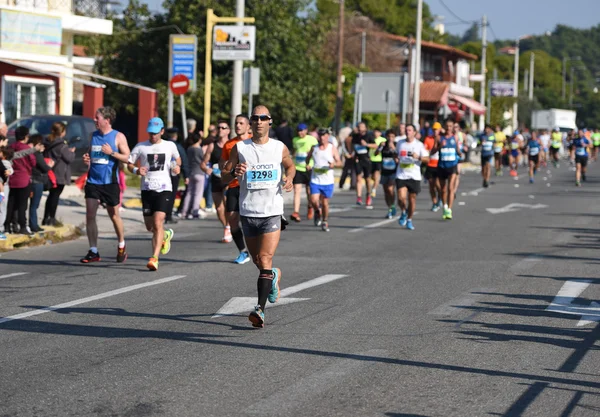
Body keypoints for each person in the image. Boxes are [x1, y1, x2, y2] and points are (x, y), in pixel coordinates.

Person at [221, 105, 295, 328]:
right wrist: (234, 173)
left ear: (269, 122)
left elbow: (291, 167)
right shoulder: (240, 147)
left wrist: (290, 178)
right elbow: (224, 176)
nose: (260, 121)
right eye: (256, 118)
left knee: (264, 258)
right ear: (251, 123)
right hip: (248, 211)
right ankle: (273, 275)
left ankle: (260, 310)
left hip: (272, 211)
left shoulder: (278, 147)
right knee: (258, 260)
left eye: (264, 118)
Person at [127, 117, 180, 271]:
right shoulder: (141, 147)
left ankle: (154, 258)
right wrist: (137, 170)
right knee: (150, 227)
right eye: (150, 133)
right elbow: (129, 164)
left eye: (156, 133)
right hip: (147, 189)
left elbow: (177, 160)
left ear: (162, 131)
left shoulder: (170, 145)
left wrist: (175, 167)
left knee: (158, 222)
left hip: (164, 188)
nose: (153, 136)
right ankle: (165, 235)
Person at [80, 106, 131, 263]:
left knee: (114, 215)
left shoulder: (118, 137)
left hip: (110, 182)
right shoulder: (92, 135)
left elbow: (127, 157)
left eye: (98, 118)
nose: (95, 120)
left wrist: (112, 153)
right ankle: (93, 251)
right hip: (93, 181)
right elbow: (91, 153)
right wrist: (87, 158)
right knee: (90, 215)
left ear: (107, 120)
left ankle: (121, 244)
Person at [220, 114, 252, 264]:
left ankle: (258, 248)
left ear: (248, 126)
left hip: (251, 186)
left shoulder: (255, 142)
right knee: (232, 219)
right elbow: (224, 164)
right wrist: (222, 169)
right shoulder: (229, 144)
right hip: (234, 185)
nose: (238, 126)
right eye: (236, 123)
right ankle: (243, 252)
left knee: (251, 220)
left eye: (241, 123)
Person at [306, 128, 341, 232]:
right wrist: (308, 164)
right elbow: (308, 158)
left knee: (325, 203)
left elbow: (339, 162)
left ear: (327, 137)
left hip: (328, 181)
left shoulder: (332, 148)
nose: (322, 138)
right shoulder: (314, 148)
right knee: (313, 200)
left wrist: (334, 164)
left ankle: (325, 221)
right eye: (320, 136)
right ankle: (317, 211)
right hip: (315, 179)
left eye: (324, 136)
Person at [202, 119, 231, 242]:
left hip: (229, 179)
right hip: (216, 178)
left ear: (228, 131)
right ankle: (227, 226)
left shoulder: (232, 145)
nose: (220, 130)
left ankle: (230, 227)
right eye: (219, 128)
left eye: (223, 128)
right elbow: (203, 163)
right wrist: (206, 169)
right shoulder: (212, 145)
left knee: (227, 202)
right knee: (219, 208)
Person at [396, 124, 429, 230]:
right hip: (401, 174)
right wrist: (396, 159)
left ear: (414, 132)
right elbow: (397, 155)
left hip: (414, 176)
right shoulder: (400, 143)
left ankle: (409, 219)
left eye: (410, 130)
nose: (407, 132)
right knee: (401, 198)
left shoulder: (419, 145)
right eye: (406, 130)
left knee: (412, 199)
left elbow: (427, 159)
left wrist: (418, 157)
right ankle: (404, 212)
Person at [4, 126, 36, 236]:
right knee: (22, 205)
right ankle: (22, 226)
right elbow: (33, 162)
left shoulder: (11, 147)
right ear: (26, 136)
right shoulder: (27, 148)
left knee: (11, 204)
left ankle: (8, 225)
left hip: (12, 178)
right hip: (23, 179)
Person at [43, 122, 75, 226]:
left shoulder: (48, 142)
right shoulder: (62, 145)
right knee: (55, 196)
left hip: (50, 171)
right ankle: (51, 218)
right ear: (62, 132)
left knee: (51, 195)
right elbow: (69, 158)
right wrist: (72, 152)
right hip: (59, 174)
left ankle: (46, 218)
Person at [434, 119, 462, 220]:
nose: (448, 128)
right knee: (443, 189)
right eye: (447, 126)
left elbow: (458, 149)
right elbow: (432, 151)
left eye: (450, 126)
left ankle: (449, 209)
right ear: (444, 127)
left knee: (451, 188)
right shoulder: (439, 138)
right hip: (442, 166)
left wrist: (460, 153)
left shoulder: (455, 137)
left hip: (452, 165)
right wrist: (439, 147)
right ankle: (445, 206)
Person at [290, 123, 318, 222]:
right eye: (298, 131)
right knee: (297, 190)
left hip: (308, 168)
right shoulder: (295, 140)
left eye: (302, 130)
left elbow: (316, 153)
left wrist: (312, 163)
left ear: (306, 130)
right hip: (298, 167)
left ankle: (310, 206)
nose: (300, 133)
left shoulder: (312, 139)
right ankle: (296, 212)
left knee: (309, 191)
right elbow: (294, 151)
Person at [348, 121, 376, 208]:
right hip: (358, 159)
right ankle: (359, 197)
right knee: (358, 178)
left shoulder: (369, 135)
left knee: (367, 179)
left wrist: (367, 144)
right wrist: (352, 153)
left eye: (362, 127)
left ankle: (368, 195)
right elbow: (350, 143)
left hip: (366, 159)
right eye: (359, 127)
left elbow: (375, 145)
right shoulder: (355, 136)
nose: (360, 129)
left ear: (365, 128)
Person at [28, 134, 53, 232]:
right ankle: (33, 225)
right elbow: (44, 167)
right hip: (37, 181)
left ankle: (33, 224)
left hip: (34, 180)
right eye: (42, 144)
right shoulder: (37, 155)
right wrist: (50, 165)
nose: (43, 147)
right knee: (34, 205)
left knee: (34, 205)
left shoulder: (34, 154)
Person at [165, 127, 189, 224]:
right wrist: (186, 175)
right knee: (171, 195)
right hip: (174, 174)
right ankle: (168, 215)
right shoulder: (178, 147)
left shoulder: (163, 145)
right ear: (176, 135)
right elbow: (184, 161)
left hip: (162, 174)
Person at [180, 132, 208, 219]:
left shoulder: (189, 149)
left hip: (191, 173)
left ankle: (184, 211)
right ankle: (195, 211)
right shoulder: (199, 150)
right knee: (198, 194)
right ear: (199, 139)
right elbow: (203, 160)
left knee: (189, 193)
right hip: (199, 173)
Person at [377, 129, 398, 219]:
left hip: (393, 171)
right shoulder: (383, 145)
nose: (390, 138)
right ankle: (389, 207)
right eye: (389, 136)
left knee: (390, 189)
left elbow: (399, 156)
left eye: (392, 137)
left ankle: (392, 205)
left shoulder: (397, 145)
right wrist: (379, 147)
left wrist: (393, 148)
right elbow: (376, 153)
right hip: (384, 171)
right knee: (386, 191)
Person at [423, 122, 442, 210]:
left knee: (438, 184)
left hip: (439, 165)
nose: (435, 131)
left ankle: (440, 197)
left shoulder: (442, 139)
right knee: (431, 185)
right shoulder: (428, 139)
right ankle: (434, 203)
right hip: (430, 164)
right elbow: (425, 151)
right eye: (434, 129)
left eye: (437, 129)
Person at [369, 128, 386, 199]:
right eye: (375, 132)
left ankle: (373, 190)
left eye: (377, 132)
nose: (376, 133)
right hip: (370, 159)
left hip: (378, 160)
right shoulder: (371, 139)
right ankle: (374, 185)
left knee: (376, 176)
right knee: (372, 177)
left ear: (380, 133)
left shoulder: (382, 140)